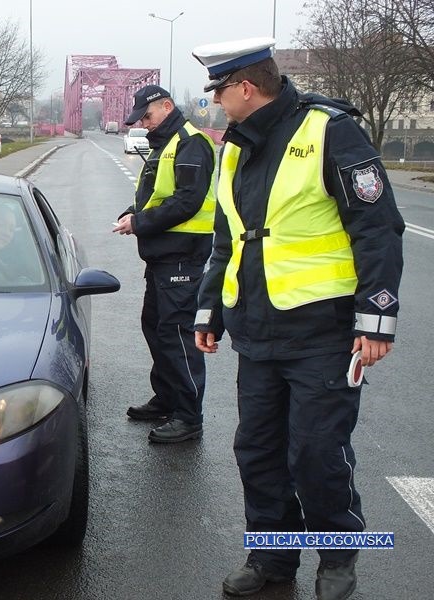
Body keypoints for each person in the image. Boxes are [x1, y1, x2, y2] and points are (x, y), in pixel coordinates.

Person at [191, 37, 404, 600]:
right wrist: (210, 309)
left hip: (323, 333)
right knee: (257, 451)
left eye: (218, 90)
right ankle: (271, 559)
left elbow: (377, 228)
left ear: (245, 87)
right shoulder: (234, 148)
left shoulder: (330, 130)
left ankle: (337, 557)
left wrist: (376, 319)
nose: (214, 101)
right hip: (256, 333)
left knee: (315, 452)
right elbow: (226, 238)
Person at [112, 84, 216, 443]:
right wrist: (133, 212)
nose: (144, 124)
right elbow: (156, 195)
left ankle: (189, 417)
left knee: (177, 334)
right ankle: (168, 397)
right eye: (141, 119)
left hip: (182, 255)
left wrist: (140, 223)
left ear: (167, 106)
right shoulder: (165, 146)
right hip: (163, 255)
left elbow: (187, 201)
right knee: (155, 326)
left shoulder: (190, 143)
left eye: (147, 116)